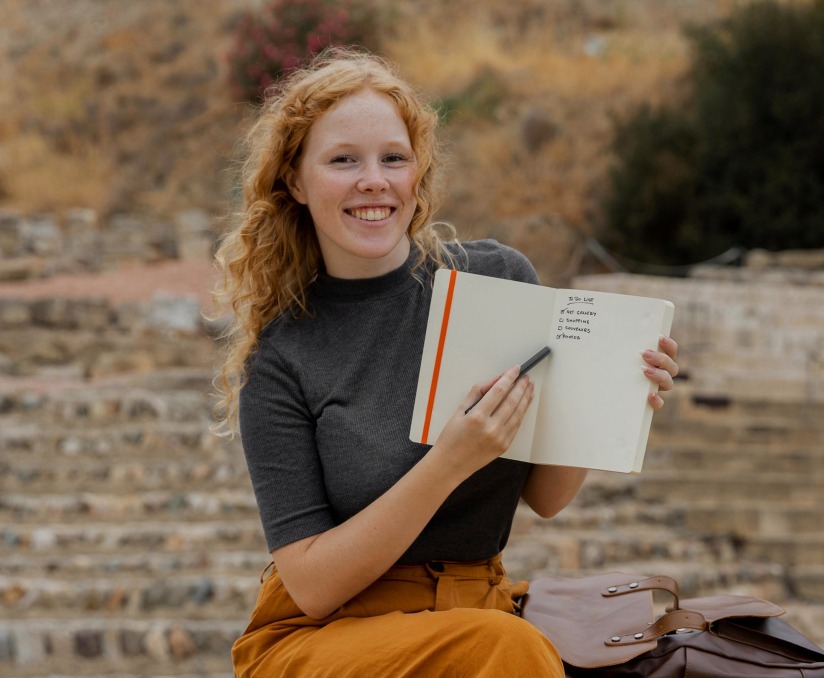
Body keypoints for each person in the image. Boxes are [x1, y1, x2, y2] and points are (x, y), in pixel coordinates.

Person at [213, 48, 680, 677]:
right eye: (343, 160)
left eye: (393, 158)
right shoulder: (281, 358)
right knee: (506, 647)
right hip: (328, 635)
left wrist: (610, 393)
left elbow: (547, 497)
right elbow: (313, 586)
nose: (373, 180)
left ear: (418, 171)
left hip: (478, 612)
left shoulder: (498, 280)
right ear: (296, 182)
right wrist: (451, 461)